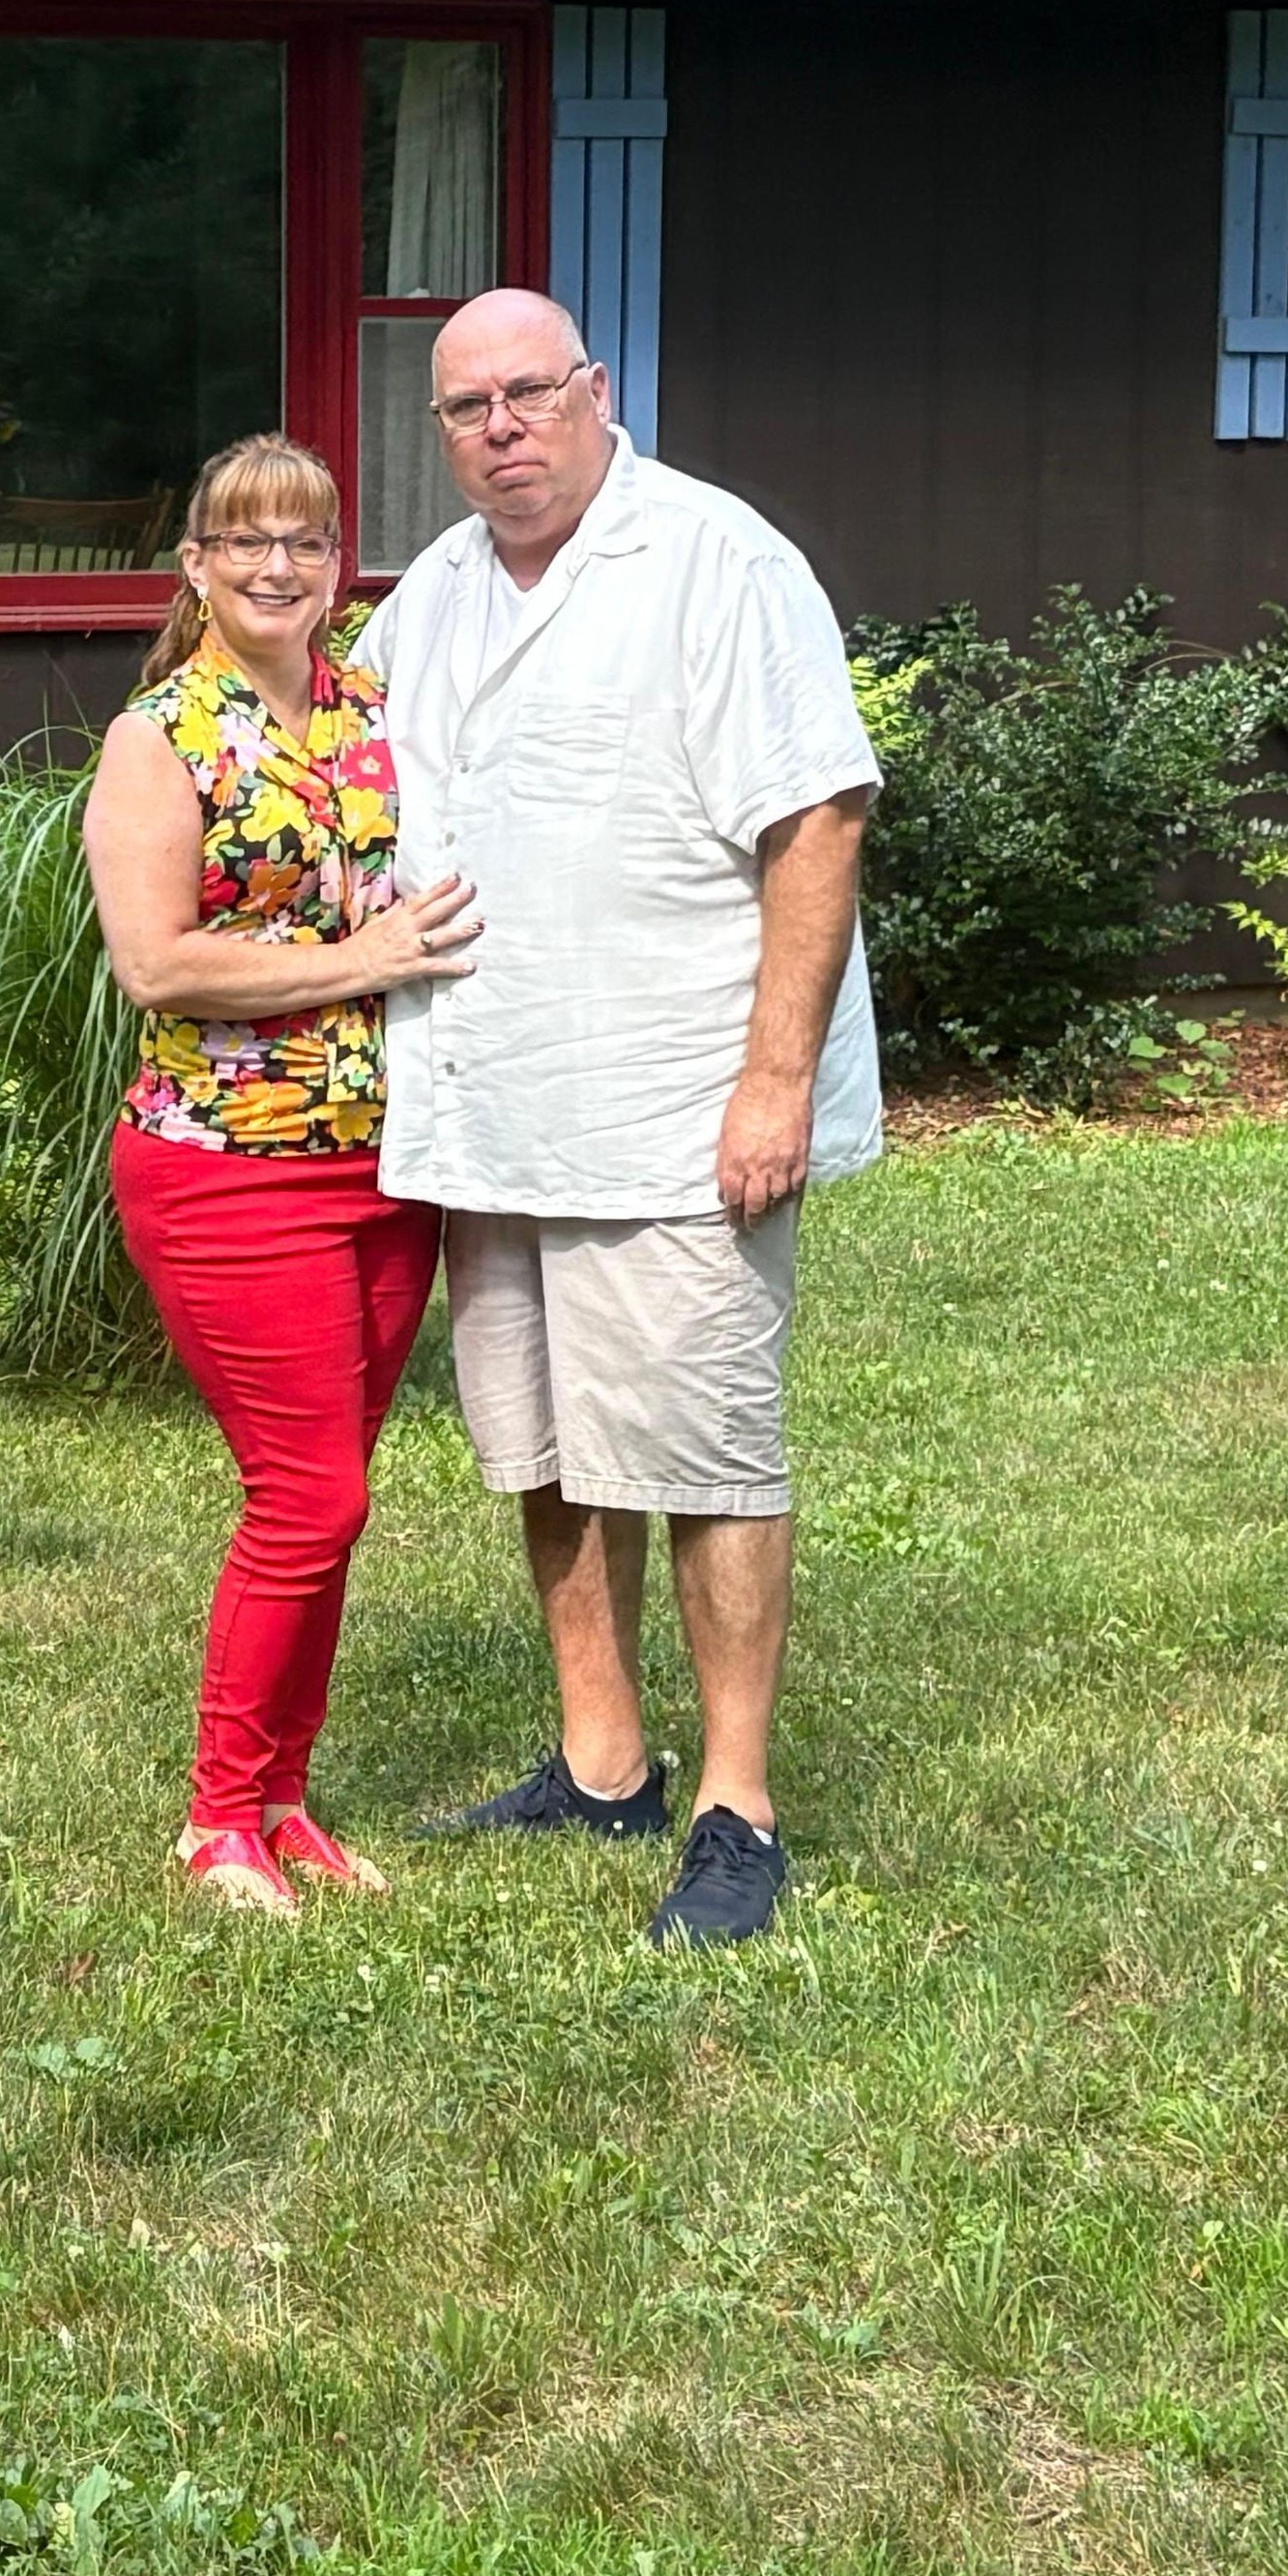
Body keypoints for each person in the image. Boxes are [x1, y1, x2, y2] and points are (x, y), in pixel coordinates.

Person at [366, 291, 882, 1952]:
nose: (501, 426)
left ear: (596, 392)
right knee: (539, 1437)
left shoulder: (719, 563)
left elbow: (816, 819)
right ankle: (604, 1760)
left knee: (707, 1444)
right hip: (488, 1089)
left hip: (676, 1094)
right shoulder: (430, 599)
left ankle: (737, 1803)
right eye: (466, 407)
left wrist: (774, 1076)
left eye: (529, 392)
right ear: (440, 431)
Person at [84, 434, 484, 1920]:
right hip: (227, 1169)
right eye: (243, 542)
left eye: (304, 542)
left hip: (391, 1164)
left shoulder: (379, 711)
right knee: (306, 1494)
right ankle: (214, 1818)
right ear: (196, 566)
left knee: (337, 1495)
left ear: (337, 566)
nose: (275, 566)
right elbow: (157, 963)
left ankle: (286, 1798)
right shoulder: (163, 737)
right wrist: (360, 959)